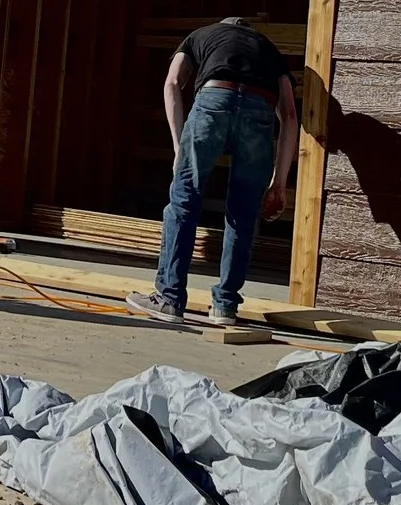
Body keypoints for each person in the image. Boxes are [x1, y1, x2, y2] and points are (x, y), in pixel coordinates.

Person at [126, 17, 299, 326]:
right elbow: (288, 114)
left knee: (185, 199)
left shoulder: (201, 35)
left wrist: (179, 146)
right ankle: (225, 307)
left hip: (214, 98)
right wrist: (279, 183)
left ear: (224, 27)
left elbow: (171, 83)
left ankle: (169, 298)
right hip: (260, 109)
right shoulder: (269, 49)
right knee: (243, 213)